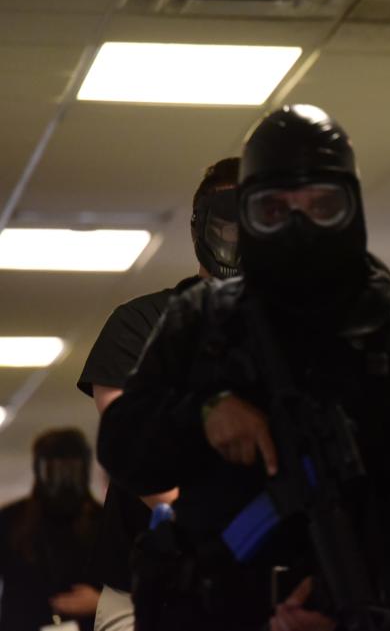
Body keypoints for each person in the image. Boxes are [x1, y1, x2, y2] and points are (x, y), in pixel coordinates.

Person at [96, 104, 390, 631]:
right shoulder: (202, 319)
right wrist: (205, 413)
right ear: (247, 215)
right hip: (211, 605)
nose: (297, 226)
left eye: (319, 205)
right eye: (274, 209)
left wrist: (341, 615)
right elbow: (123, 450)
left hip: (348, 606)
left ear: (350, 208)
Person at [77, 156, 241, 631]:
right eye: (228, 225)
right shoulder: (141, 324)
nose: (239, 241)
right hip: (146, 589)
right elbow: (131, 451)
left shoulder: (297, 333)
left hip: (266, 591)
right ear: (203, 229)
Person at [0, 428, 103, 631]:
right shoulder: (11, 520)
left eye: (71, 468)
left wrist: (101, 602)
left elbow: (133, 587)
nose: (62, 477)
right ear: (39, 469)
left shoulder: (103, 522)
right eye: (53, 468)